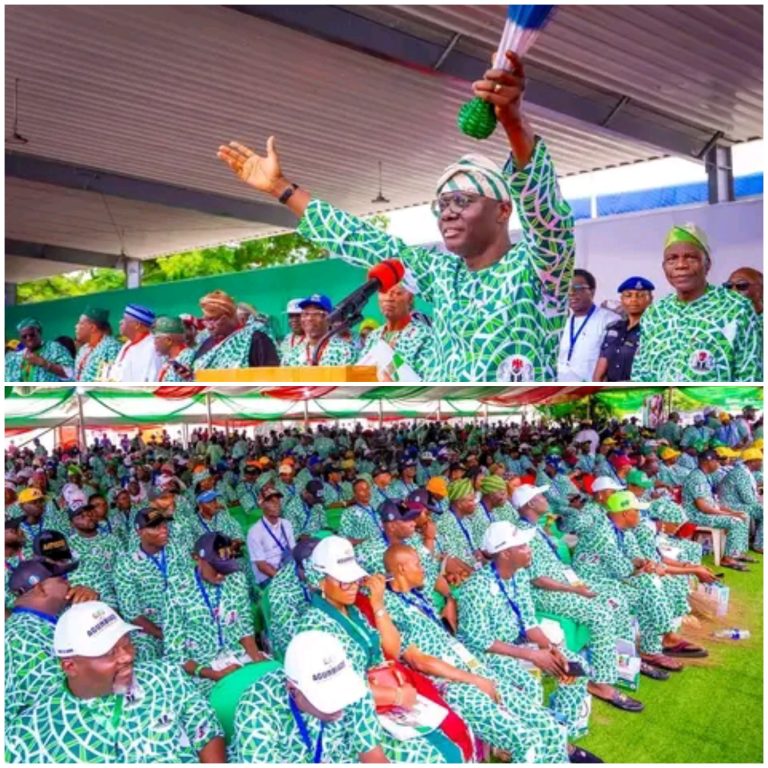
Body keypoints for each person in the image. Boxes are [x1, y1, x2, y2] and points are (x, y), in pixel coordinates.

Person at [218, 50, 575, 383]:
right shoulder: (442, 272)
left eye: (462, 200)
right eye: (442, 203)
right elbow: (359, 239)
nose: (448, 212)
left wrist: (514, 124)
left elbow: (547, 219)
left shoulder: (539, 268)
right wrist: (281, 188)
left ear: (503, 209)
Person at [385, 542, 585, 763]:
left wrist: (450, 599)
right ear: (401, 569)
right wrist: (475, 679)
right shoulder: (391, 608)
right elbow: (420, 661)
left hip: (469, 666)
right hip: (447, 682)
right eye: (417, 564)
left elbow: (444, 578)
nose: (423, 568)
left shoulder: (415, 594)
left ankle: (561, 746)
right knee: (529, 744)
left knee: (551, 729)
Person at [295, 536, 456, 763]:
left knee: (443, 738)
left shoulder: (352, 611)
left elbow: (392, 650)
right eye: (343, 581)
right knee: (426, 755)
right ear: (321, 581)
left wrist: (378, 604)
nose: (352, 587)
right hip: (349, 717)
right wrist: (397, 696)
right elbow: (337, 690)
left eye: (355, 579)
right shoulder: (314, 626)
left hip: (381, 698)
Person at [5, 600, 226, 763]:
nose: (127, 656)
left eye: (127, 642)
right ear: (70, 666)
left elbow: (207, 731)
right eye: (109, 652)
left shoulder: (165, 676)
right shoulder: (30, 734)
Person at [513, 486, 643, 712]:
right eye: (540, 497)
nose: (546, 499)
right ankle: (601, 683)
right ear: (530, 504)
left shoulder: (536, 528)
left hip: (564, 583)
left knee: (614, 598)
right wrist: (574, 590)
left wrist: (576, 585)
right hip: (545, 593)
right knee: (600, 614)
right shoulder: (524, 533)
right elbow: (538, 579)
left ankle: (616, 660)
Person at [231, 630, 388, 763]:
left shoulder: (352, 684)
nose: (340, 705)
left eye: (341, 690)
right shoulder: (256, 713)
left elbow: (374, 757)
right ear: (293, 691)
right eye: (328, 697)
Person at [631, 224, 762, 381]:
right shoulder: (654, 314)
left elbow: (751, 374)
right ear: (664, 267)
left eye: (691, 257)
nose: (681, 265)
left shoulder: (736, 308)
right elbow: (641, 374)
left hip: (718, 405)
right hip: (664, 404)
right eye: (672, 259)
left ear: (707, 265)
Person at [164, 533, 266, 695]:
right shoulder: (177, 591)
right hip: (202, 671)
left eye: (224, 568)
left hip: (237, 659)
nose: (221, 575)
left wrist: (256, 658)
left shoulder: (236, 579)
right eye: (216, 569)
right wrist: (214, 674)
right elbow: (176, 655)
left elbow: (244, 628)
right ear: (198, 559)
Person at [113, 507, 179, 661]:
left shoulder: (177, 551)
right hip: (150, 627)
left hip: (183, 618)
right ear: (140, 532)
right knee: (143, 651)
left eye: (164, 525)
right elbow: (132, 614)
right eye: (156, 527)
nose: (164, 530)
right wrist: (162, 634)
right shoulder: (126, 564)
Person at [682, 449, 753, 570]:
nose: (718, 464)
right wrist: (726, 514)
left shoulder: (704, 476)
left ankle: (737, 552)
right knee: (735, 521)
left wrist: (732, 512)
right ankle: (728, 559)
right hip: (696, 515)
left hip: (706, 513)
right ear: (707, 462)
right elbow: (703, 507)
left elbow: (713, 503)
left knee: (743, 515)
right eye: (716, 461)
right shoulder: (696, 478)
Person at [358, 276, 440, 381]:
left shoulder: (424, 336)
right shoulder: (373, 337)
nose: (388, 298)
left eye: (397, 293)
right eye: (383, 292)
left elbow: (429, 381)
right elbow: (360, 374)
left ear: (410, 298)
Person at [192, 289, 280, 370]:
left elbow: (270, 376)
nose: (209, 326)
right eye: (206, 320)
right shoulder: (207, 344)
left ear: (229, 317)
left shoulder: (255, 340)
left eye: (213, 320)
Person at [557, 269, 620, 382]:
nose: (571, 293)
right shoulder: (561, 323)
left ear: (592, 291)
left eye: (577, 288)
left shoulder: (609, 320)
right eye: (567, 288)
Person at [593, 277, 654, 382]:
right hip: (609, 391)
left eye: (640, 295)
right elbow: (600, 370)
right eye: (628, 295)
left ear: (650, 299)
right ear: (621, 299)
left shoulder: (654, 331)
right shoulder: (614, 328)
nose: (634, 299)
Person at [282, 294, 356, 367]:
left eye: (316, 314)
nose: (309, 318)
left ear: (329, 318)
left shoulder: (345, 352)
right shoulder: (291, 356)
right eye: (305, 314)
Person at [246, 487, 295, 585]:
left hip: (287, 568)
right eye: (271, 501)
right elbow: (262, 566)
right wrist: (283, 580)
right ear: (262, 505)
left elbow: (293, 550)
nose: (276, 504)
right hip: (268, 576)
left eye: (278, 501)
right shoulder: (255, 532)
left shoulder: (286, 524)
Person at [5, 318, 74, 382]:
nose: (28, 338)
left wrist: (43, 363)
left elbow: (70, 374)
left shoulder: (55, 348)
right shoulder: (14, 357)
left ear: (39, 332)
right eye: (24, 336)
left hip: (50, 393)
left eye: (32, 335)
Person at [107, 304, 163, 382]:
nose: (120, 322)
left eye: (124, 319)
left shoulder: (153, 348)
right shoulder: (127, 345)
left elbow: (151, 382)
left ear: (137, 325)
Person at [73, 306, 122, 381]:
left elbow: (112, 381)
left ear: (92, 327)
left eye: (80, 323)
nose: (76, 326)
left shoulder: (111, 348)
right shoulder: (84, 349)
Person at [152, 315, 196, 381]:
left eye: (156, 338)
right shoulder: (167, 359)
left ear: (168, 341)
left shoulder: (188, 359)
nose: (154, 343)